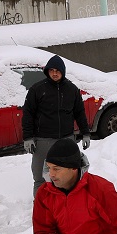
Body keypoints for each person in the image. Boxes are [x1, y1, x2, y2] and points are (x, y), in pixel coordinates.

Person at [23, 54, 91, 197]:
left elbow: (79, 113)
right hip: (43, 140)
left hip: (66, 139)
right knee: (40, 177)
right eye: (51, 70)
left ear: (63, 72)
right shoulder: (37, 89)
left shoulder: (72, 90)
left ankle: (68, 202)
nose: (54, 73)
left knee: (70, 175)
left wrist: (85, 133)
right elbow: (28, 114)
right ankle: (41, 207)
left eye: (58, 70)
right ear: (47, 71)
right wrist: (28, 137)